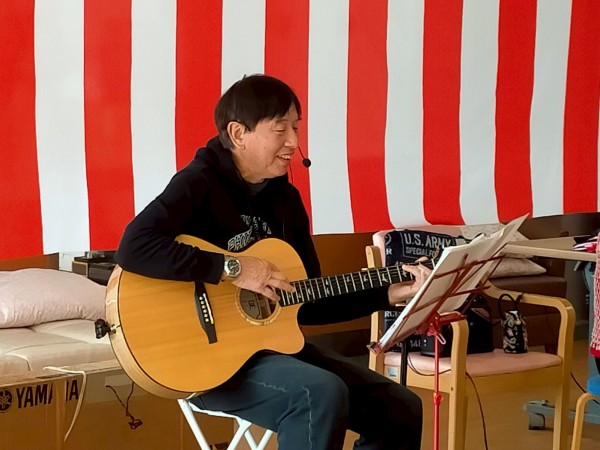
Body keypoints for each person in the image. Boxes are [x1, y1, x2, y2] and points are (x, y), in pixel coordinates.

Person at [116, 74, 427, 450]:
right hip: (201, 359)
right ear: (238, 133)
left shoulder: (286, 202)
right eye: (280, 129)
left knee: (400, 408)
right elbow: (134, 247)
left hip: (269, 352)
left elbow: (308, 300)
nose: (293, 142)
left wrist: (387, 293)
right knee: (318, 393)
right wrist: (234, 268)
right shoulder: (198, 183)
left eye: (296, 128)